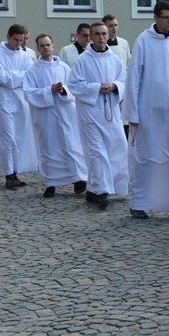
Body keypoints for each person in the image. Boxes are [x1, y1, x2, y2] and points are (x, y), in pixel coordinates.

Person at [123, 1, 169, 220]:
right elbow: (133, 78)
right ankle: (139, 202)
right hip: (149, 110)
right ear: (155, 17)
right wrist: (132, 113)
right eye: (166, 17)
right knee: (145, 156)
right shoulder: (143, 41)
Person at [67, 22, 128, 211]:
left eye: (104, 33)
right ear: (90, 37)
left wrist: (115, 86)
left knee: (117, 148)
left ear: (108, 36)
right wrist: (96, 88)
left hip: (111, 111)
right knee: (97, 152)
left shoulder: (115, 58)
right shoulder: (83, 60)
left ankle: (94, 189)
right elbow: (74, 85)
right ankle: (102, 191)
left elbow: (124, 79)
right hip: (90, 112)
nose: (101, 37)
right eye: (97, 34)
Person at [23, 34, 88, 198]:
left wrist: (63, 90)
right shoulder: (32, 70)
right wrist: (48, 91)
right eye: (42, 45)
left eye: (48, 45)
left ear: (53, 46)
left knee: (71, 145)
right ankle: (51, 182)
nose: (45, 48)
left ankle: (79, 180)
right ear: (37, 48)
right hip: (46, 116)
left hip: (66, 113)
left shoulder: (64, 67)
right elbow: (28, 93)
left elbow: (74, 87)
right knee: (49, 148)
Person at [0, 24, 37, 189]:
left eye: (21, 40)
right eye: (15, 39)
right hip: (3, 100)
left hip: (20, 99)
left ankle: (16, 172)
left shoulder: (24, 56)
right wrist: (19, 77)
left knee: (18, 136)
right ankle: (8, 173)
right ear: (8, 37)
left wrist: (12, 77)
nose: (18, 43)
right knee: (7, 136)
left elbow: (30, 76)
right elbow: (0, 78)